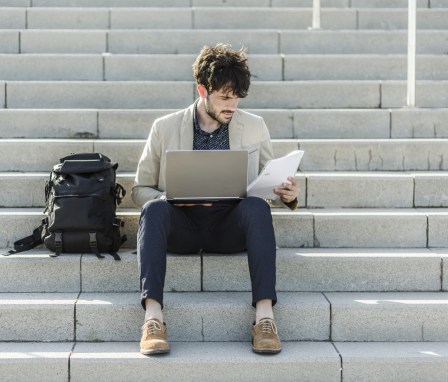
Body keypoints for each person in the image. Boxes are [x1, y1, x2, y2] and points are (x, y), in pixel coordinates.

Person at [132, 43, 299, 356]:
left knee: (256, 206)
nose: (231, 105)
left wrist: (285, 194)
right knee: (153, 209)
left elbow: (269, 181)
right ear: (202, 90)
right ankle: (153, 319)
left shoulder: (254, 126)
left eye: (236, 97)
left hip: (228, 225)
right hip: (182, 223)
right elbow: (139, 189)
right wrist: (170, 197)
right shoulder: (164, 128)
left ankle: (265, 319)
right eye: (224, 96)